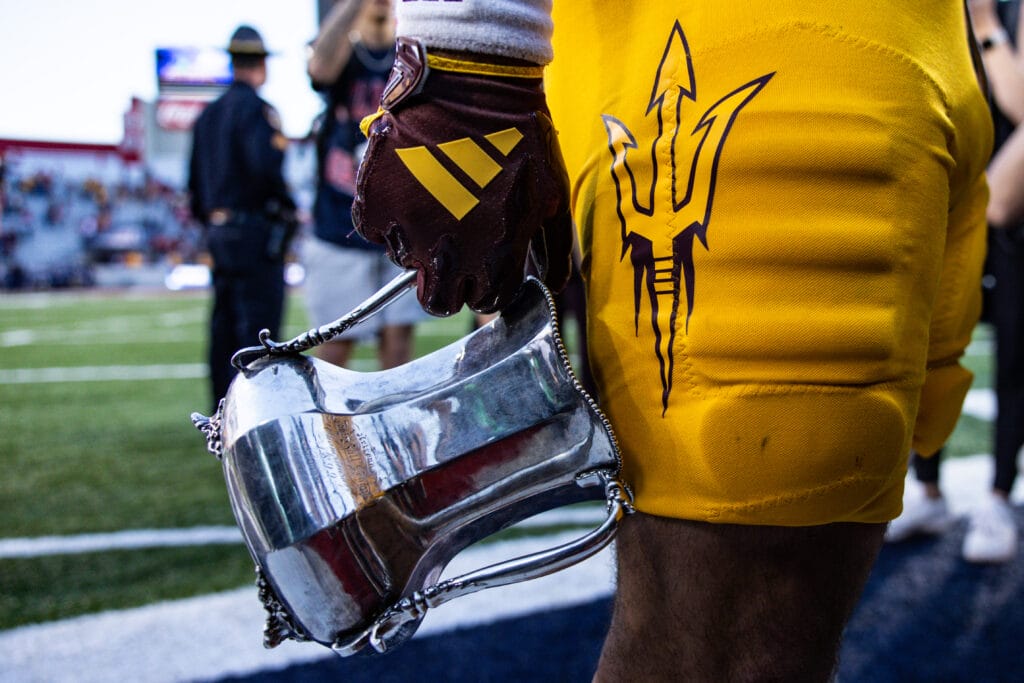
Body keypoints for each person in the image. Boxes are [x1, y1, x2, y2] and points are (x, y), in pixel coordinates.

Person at [353, 2, 992, 680]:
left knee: (799, 604)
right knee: (724, 637)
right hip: (733, 39)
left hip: (927, 41)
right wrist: (469, 53)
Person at [886, 0, 1021, 565]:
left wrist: (987, 26)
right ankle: (930, 489)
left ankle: (996, 497)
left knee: (1014, 353)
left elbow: (1018, 100)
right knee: (927, 346)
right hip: (948, 194)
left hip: (1007, 201)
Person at [303, 0, 425, 370]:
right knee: (336, 345)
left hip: (399, 226)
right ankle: (335, 430)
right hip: (338, 223)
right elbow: (320, 68)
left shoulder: (410, 53)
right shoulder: (344, 52)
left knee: (398, 344)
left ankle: (388, 427)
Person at [188, 25, 297, 408]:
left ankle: (221, 410)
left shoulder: (207, 116)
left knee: (222, 324)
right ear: (261, 65)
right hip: (254, 231)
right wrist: (287, 206)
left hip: (219, 231)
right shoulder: (256, 110)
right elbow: (265, 167)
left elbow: (194, 183)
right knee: (258, 327)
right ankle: (254, 409)